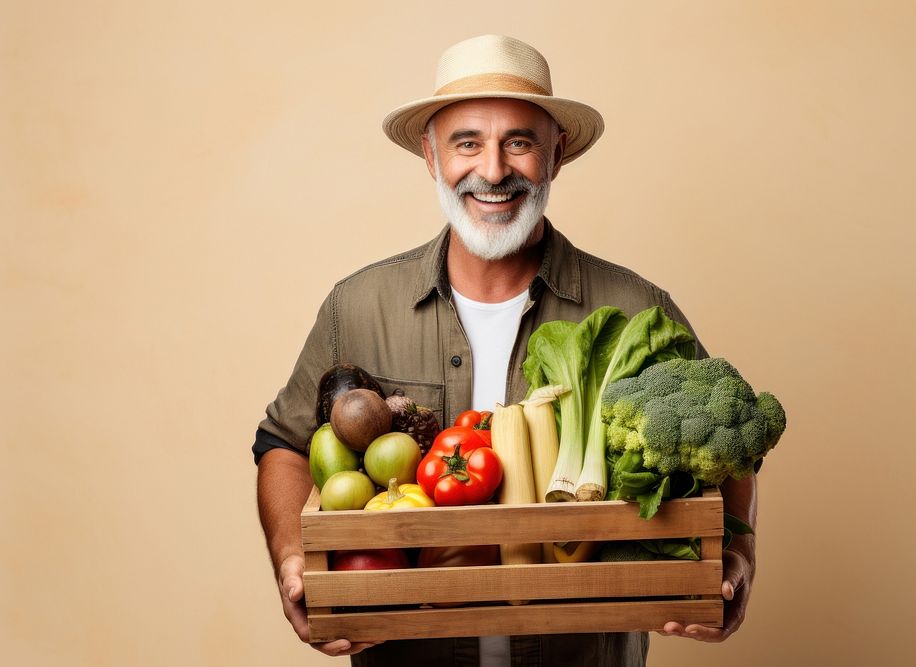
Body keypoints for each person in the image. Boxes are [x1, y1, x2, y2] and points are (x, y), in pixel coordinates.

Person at [253, 34, 757, 666]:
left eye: (518, 141)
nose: (492, 171)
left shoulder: (635, 307)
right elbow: (283, 445)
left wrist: (738, 555)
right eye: (467, 142)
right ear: (431, 157)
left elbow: (724, 442)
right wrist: (294, 560)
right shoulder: (357, 306)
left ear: (557, 153)